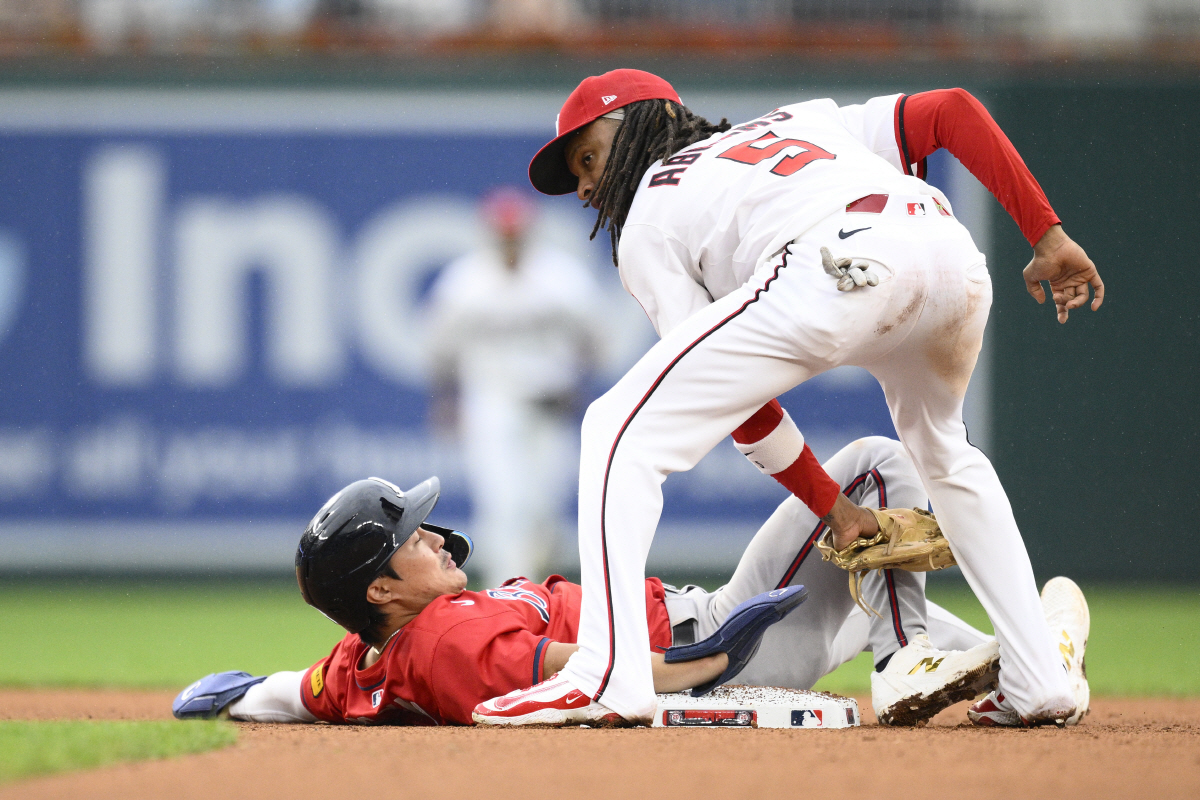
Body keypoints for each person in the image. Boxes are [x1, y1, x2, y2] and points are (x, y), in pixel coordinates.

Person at [483, 69, 1103, 728]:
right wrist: (1047, 234)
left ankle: (608, 674)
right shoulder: (803, 120)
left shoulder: (649, 216)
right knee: (947, 455)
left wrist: (826, 503)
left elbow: (744, 412)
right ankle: (1039, 681)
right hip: (949, 256)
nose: (582, 186)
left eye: (588, 158)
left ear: (640, 124)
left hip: (833, 264)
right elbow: (951, 109)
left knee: (615, 427)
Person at [173, 439, 1088, 728]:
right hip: (712, 645)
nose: (438, 536)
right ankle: (917, 661)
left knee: (876, 596)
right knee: (873, 465)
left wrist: (241, 694)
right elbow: (587, 668)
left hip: (713, 633)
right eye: (413, 535)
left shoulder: (371, 658)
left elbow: (302, 692)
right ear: (380, 588)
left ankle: (1031, 667)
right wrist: (707, 660)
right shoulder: (445, 640)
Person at [426, 186, 606, 588]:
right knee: (504, 505)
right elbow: (440, 349)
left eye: (516, 234)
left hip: (550, 403)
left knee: (546, 510)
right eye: (502, 235)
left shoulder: (562, 278)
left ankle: (532, 584)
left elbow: (595, 341)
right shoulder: (465, 281)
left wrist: (578, 384)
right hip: (492, 401)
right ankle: (506, 595)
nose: (509, 241)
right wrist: (445, 400)